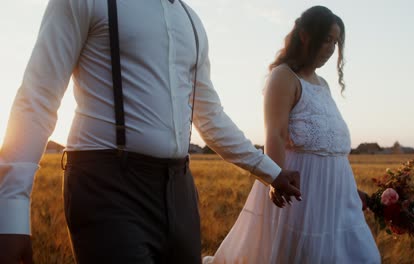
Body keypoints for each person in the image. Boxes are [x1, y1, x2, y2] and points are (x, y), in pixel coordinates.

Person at [0, 0, 302, 263]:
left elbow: (210, 117)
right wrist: (10, 214)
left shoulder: (191, 22)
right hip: (107, 185)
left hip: (179, 187)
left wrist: (271, 172)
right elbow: (38, 97)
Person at [203, 6, 381, 264]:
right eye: (327, 39)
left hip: (336, 199)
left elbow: (328, 146)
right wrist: (275, 178)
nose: (332, 48)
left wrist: (350, 191)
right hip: (301, 194)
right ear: (306, 36)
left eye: (336, 42)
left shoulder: (323, 84)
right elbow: (274, 133)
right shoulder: (284, 77)